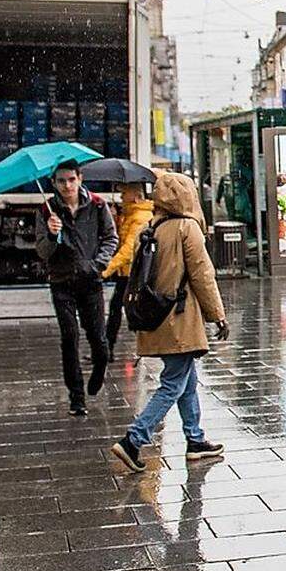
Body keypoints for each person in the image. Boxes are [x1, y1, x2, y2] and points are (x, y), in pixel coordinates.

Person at [110, 172, 229, 471]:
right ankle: (133, 440)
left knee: (186, 381)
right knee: (173, 384)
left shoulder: (150, 227)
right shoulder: (187, 228)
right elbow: (203, 275)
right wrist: (218, 314)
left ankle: (195, 439)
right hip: (179, 319)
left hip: (155, 317)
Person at [36, 160, 119, 417]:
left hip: (90, 281)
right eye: (61, 181)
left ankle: (99, 368)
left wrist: (98, 264)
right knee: (69, 338)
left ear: (80, 179)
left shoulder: (96, 205)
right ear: (54, 183)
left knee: (99, 340)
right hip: (61, 282)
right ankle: (77, 397)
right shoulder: (47, 210)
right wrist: (51, 235)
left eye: (71, 179)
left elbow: (110, 238)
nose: (67, 185)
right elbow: (42, 251)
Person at [102, 181, 156, 361]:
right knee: (120, 308)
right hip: (126, 273)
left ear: (135, 196)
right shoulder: (131, 214)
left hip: (133, 273)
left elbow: (127, 249)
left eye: (124, 194)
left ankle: (146, 346)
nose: (121, 197)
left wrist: (105, 270)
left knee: (128, 309)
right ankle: (107, 348)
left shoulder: (139, 217)